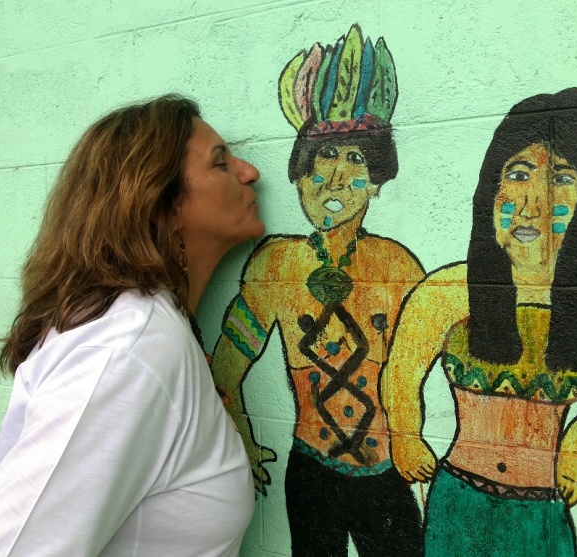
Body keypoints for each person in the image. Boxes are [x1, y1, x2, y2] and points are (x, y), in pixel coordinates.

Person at [381, 88, 577, 556]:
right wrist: (405, 434)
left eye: (561, 178)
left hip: (541, 512)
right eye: (518, 174)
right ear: (492, 188)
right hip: (458, 502)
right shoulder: (450, 289)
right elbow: (401, 370)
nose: (532, 204)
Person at [0, 95, 261, 556]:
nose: (249, 172)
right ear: (159, 204)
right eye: (220, 163)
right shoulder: (128, 348)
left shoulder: (146, 331)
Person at [212, 24, 425, 556]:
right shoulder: (275, 264)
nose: (336, 177)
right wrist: (241, 434)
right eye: (325, 156)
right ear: (300, 173)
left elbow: (430, 360)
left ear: (377, 181)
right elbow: (227, 367)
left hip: (387, 473)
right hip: (311, 473)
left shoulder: (397, 266)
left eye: (357, 160)